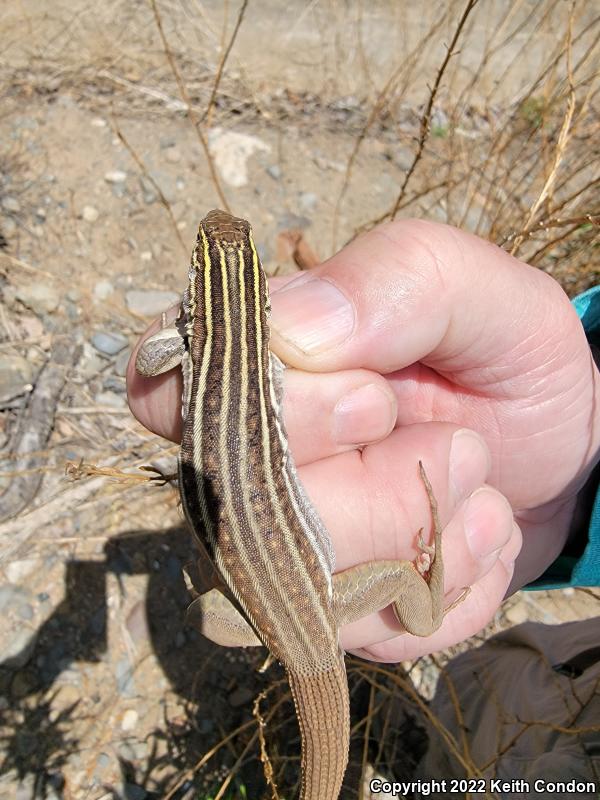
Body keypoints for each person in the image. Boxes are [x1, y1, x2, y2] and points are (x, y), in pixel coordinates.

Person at [128, 219, 600, 791]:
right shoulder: (267, 339)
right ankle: (425, 598)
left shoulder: (193, 341)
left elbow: (153, 363)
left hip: (272, 616)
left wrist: (180, 329)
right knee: (226, 608)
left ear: (198, 281)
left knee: (203, 615)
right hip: (318, 607)